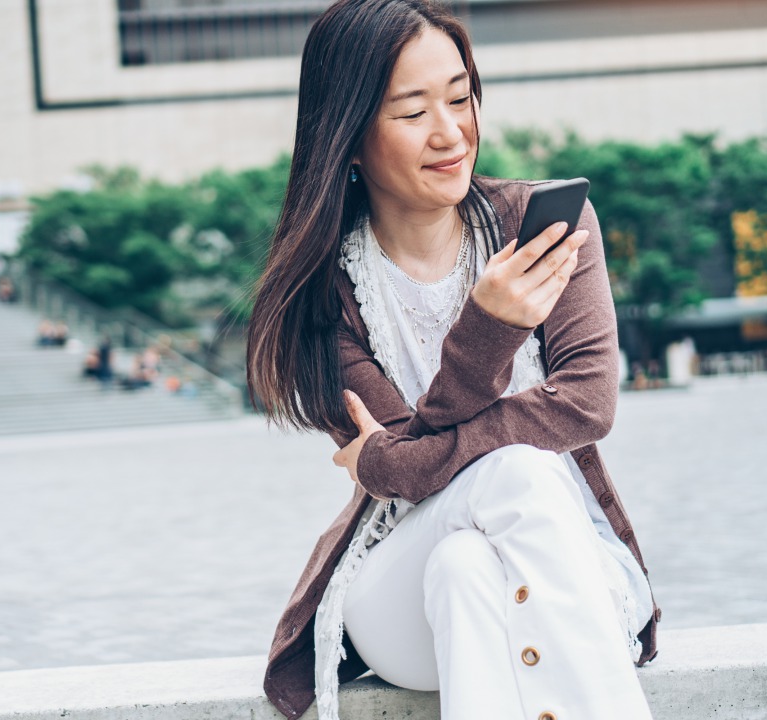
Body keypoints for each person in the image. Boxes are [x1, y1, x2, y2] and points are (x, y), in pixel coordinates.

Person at [245, 2, 659, 719]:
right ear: (346, 136)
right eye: (411, 113)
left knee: (468, 567)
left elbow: (587, 406)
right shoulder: (322, 293)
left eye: (461, 97)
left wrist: (380, 460)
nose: (451, 133)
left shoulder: (547, 231)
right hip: (394, 588)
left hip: (554, 559)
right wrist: (489, 330)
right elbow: (408, 482)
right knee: (520, 466)